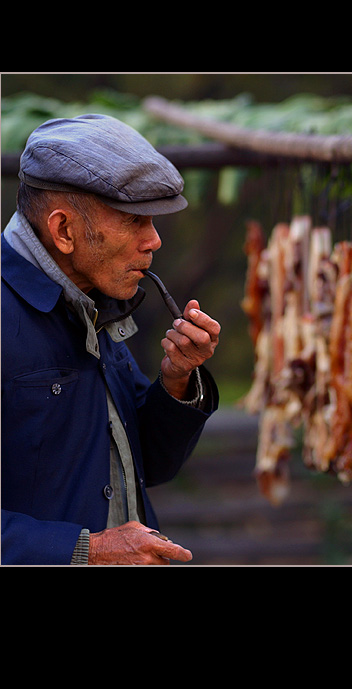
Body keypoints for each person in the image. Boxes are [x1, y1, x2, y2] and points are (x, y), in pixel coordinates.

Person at [1, 113, 221, 565]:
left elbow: (150, 464)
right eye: (134, 220)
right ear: (64, 230)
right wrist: (89, 551)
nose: (154, 240)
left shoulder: (91, 296)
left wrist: (176, 379)